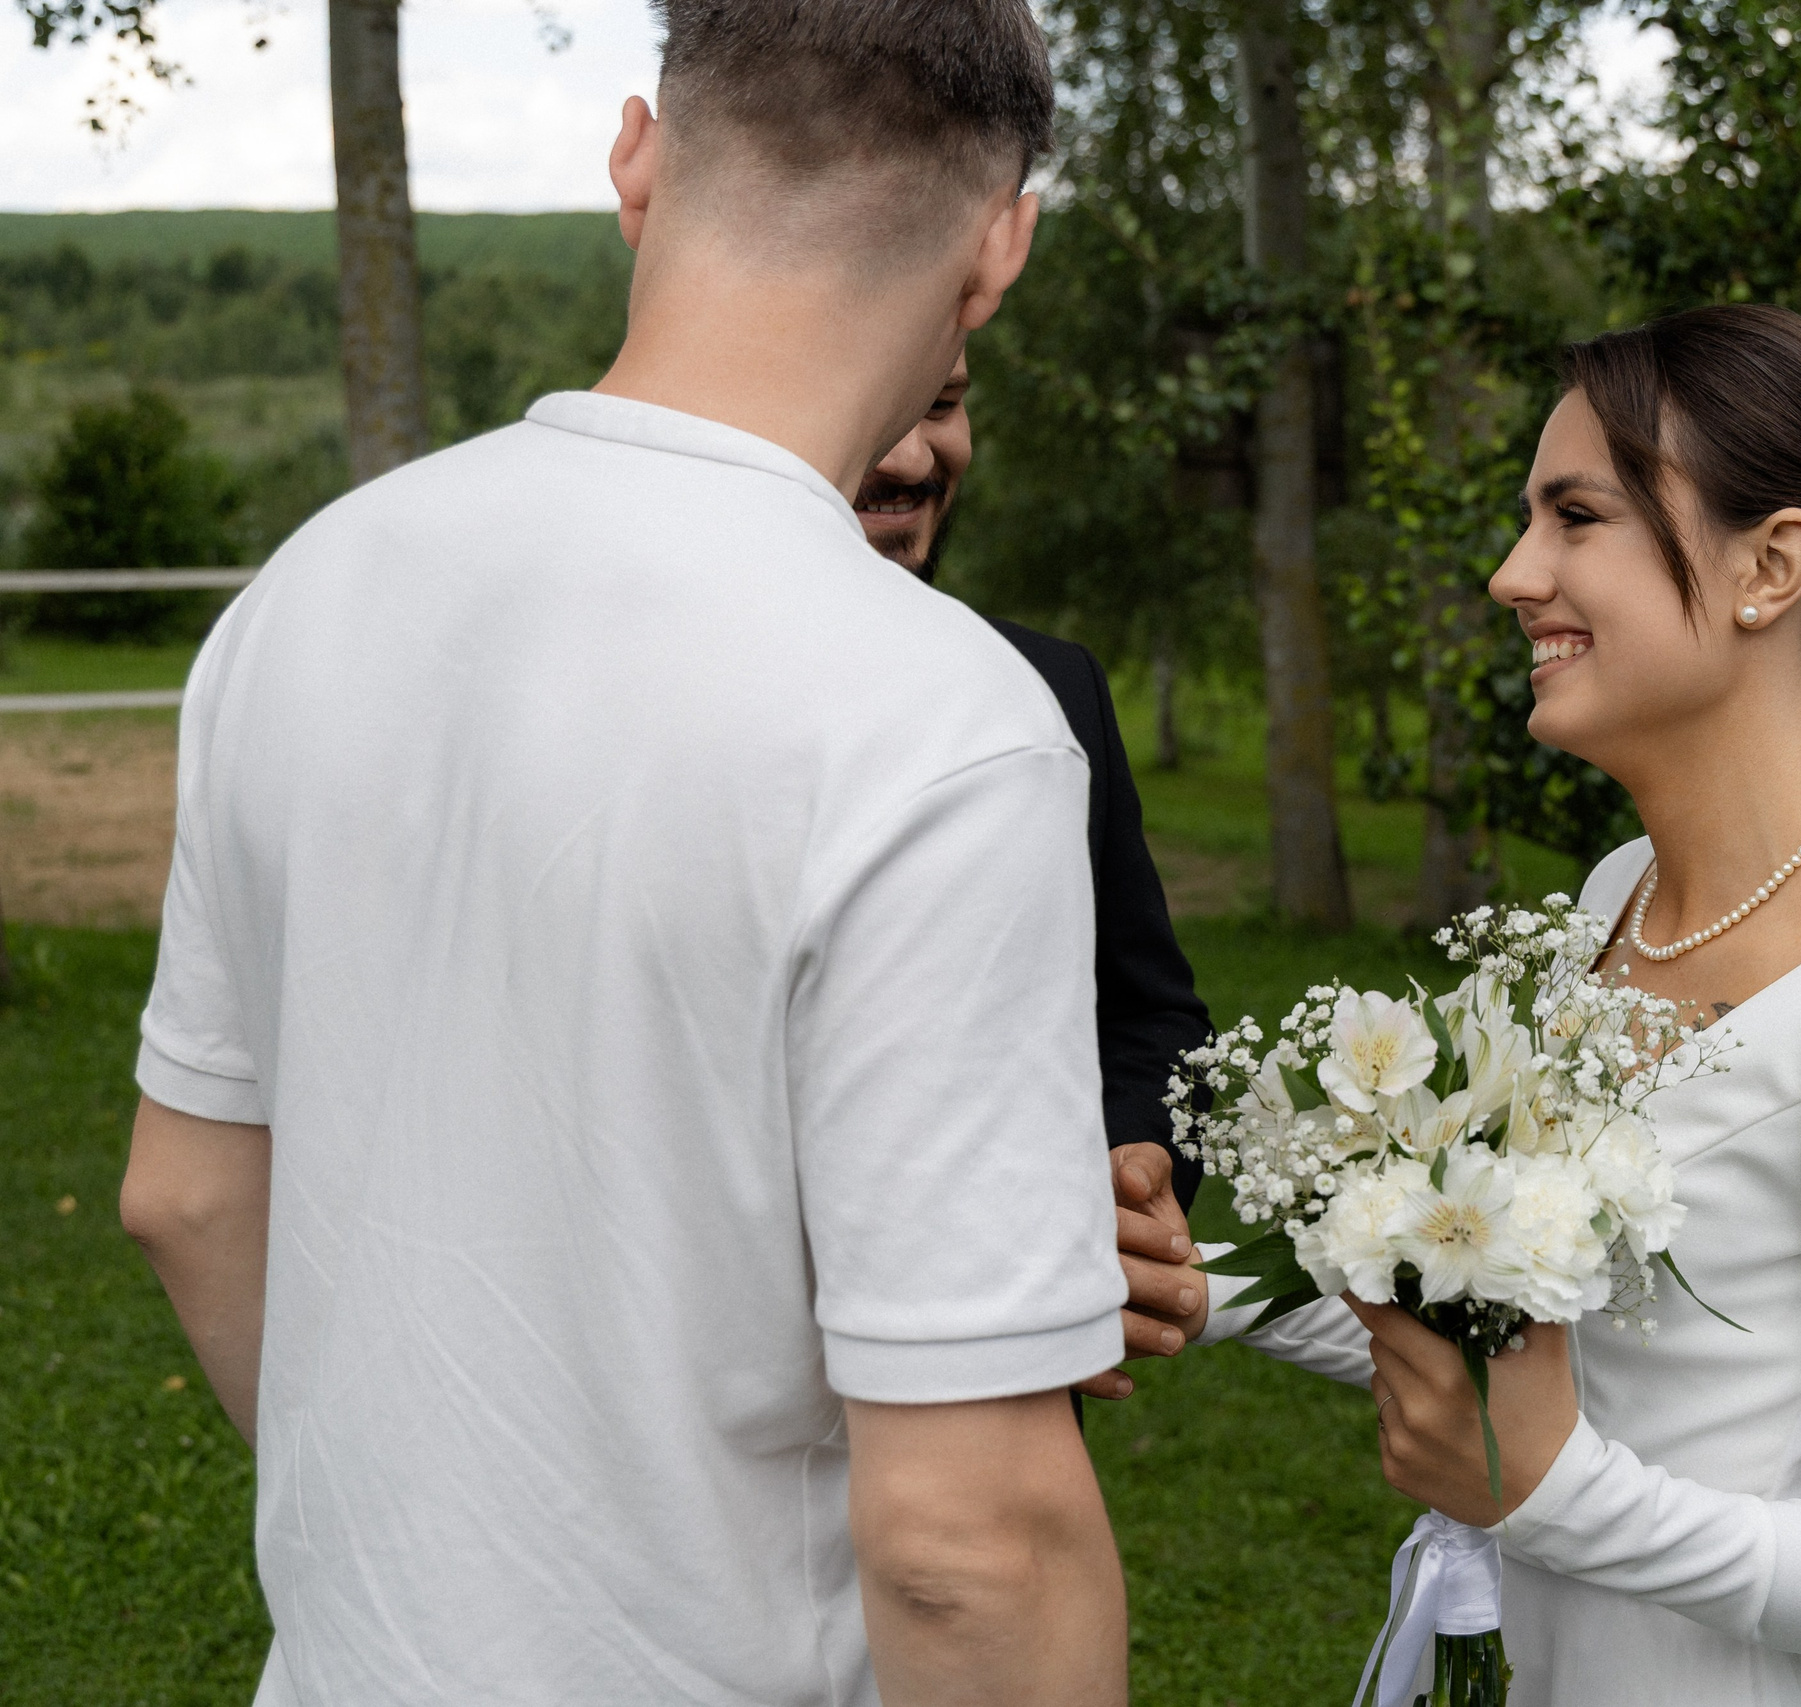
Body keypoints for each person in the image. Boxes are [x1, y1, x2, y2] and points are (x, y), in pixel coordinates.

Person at [113, 4, 1133, 1702]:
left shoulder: (313, 586)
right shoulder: (940, 719)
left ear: (638, 160)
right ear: (1000, 248)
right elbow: (971, 1542)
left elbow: (184, 1192)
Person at [1190, 304, 1801, 1705]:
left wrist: (1552, 1493)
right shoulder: (1616, 893)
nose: (1512, 572)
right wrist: (1203, 1290)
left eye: (1575, 515)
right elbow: (1531, 1343)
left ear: (1772, 563)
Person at [848, 361, 1215, 1402]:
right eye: (879, 408)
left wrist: (1132, 1171)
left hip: (1015, 1405)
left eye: (943, 407)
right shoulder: (651, 699)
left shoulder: (1054, 688)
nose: (916, 458)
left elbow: (1150, 1015)